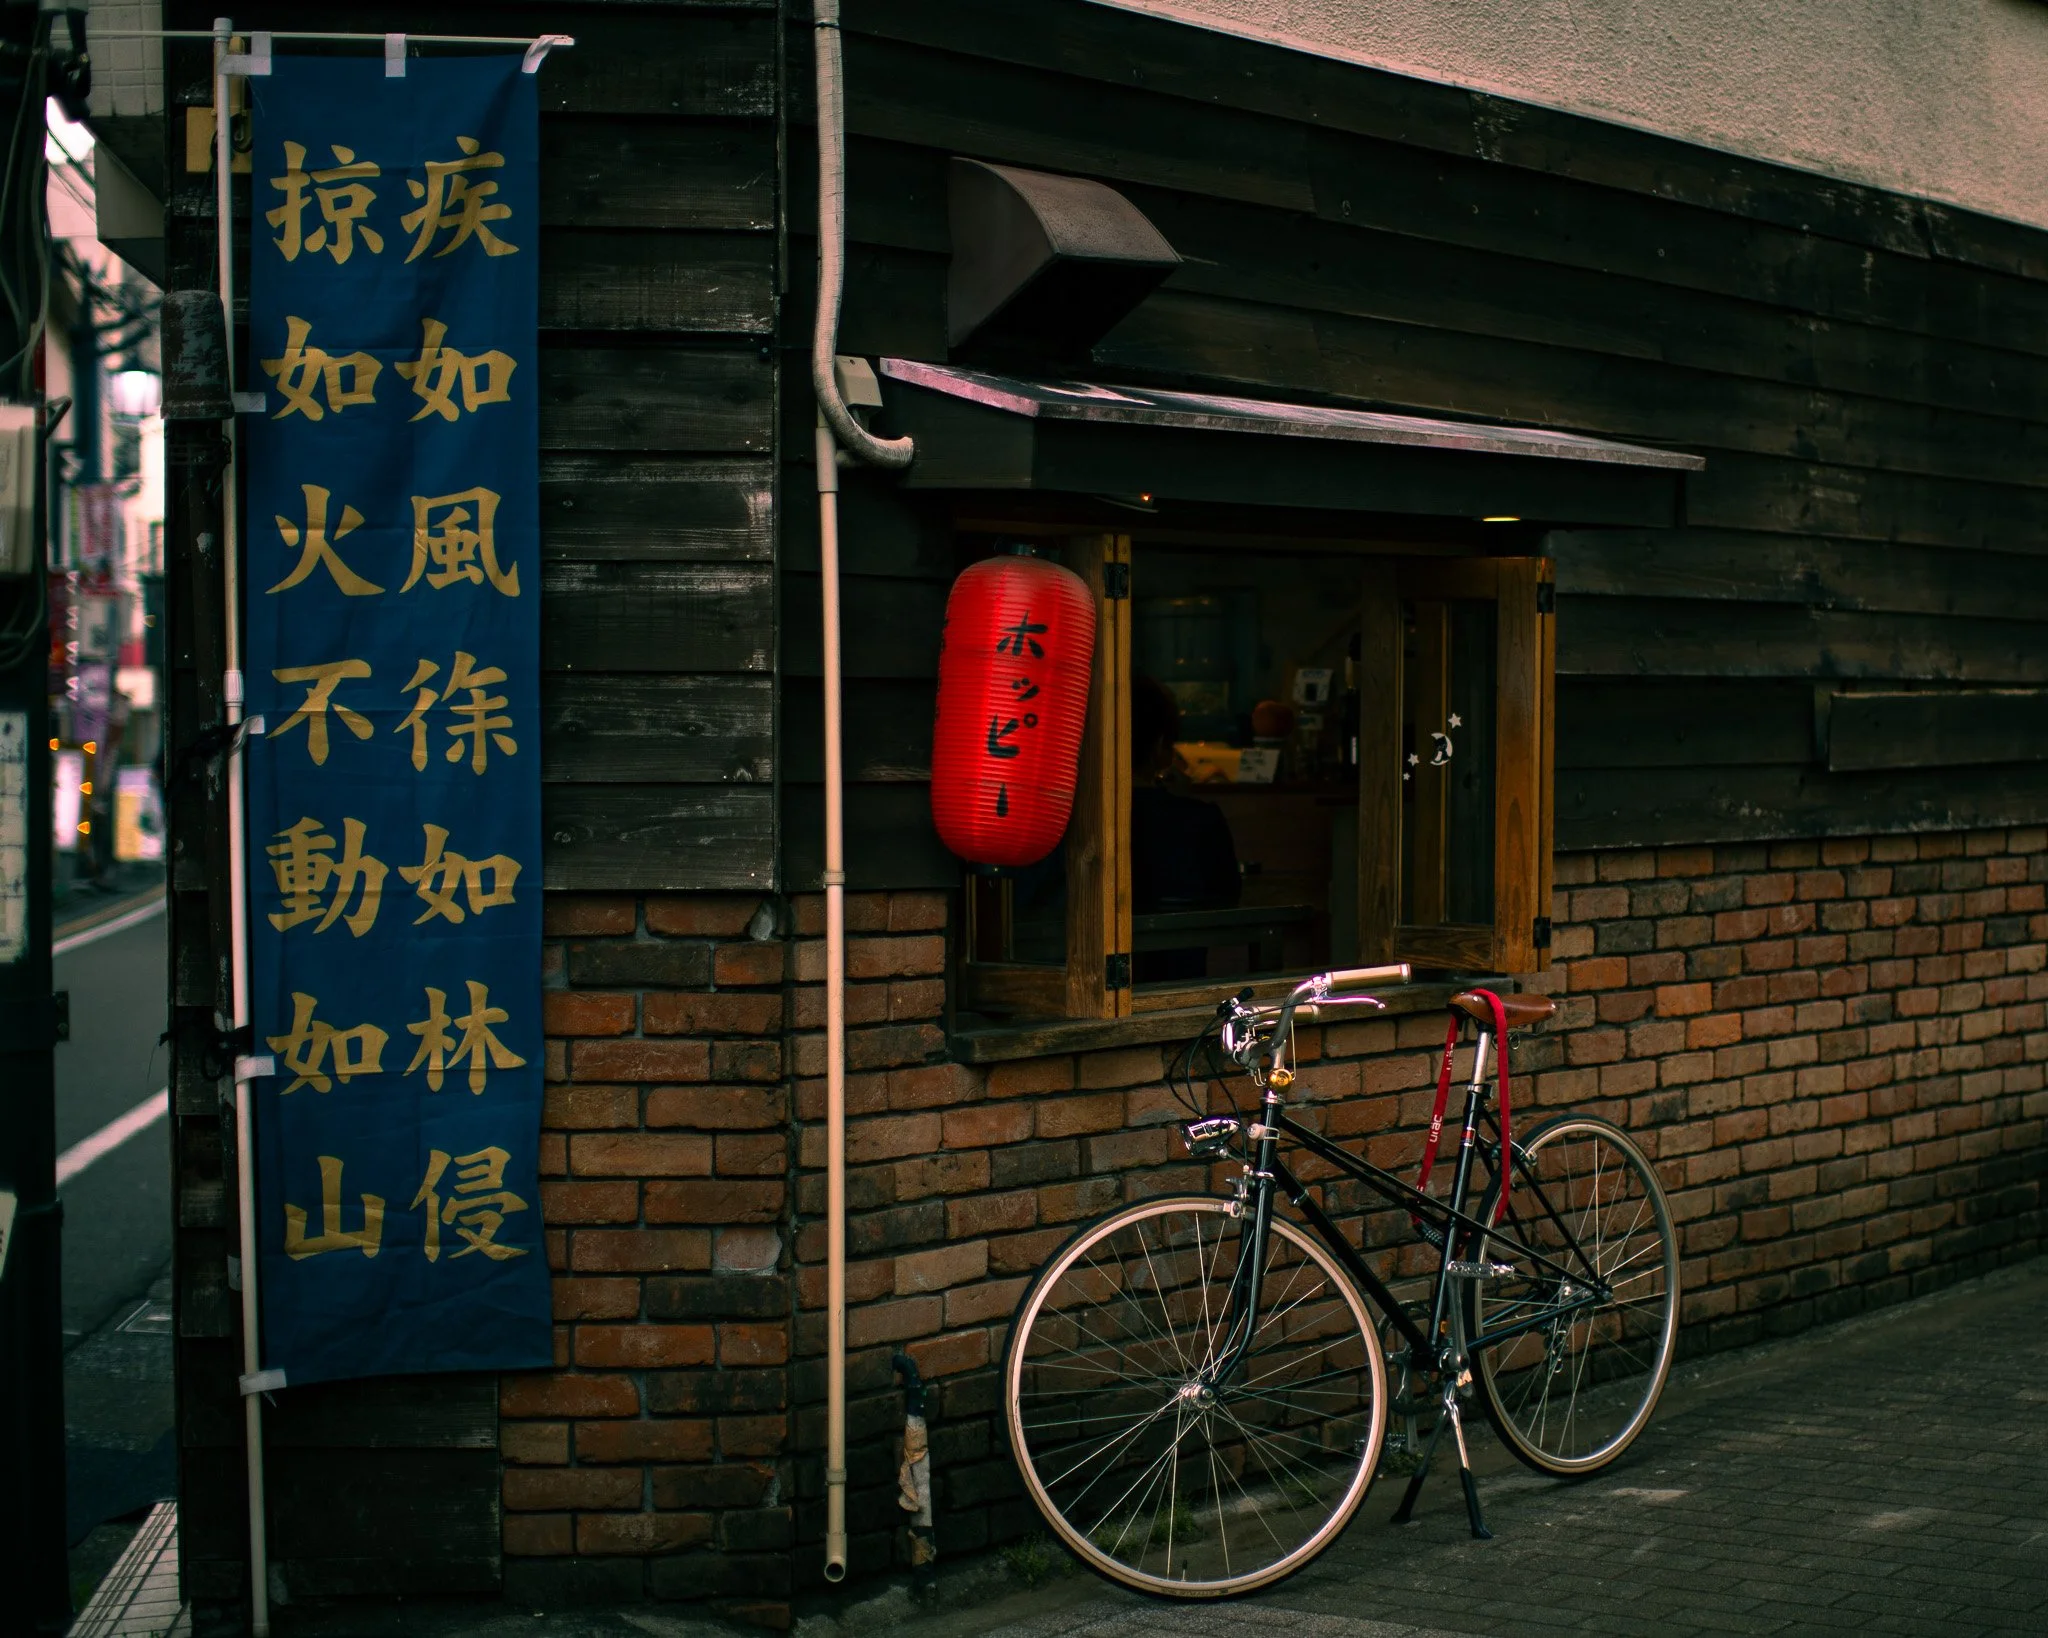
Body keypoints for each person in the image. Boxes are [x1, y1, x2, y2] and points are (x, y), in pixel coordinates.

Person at [1131, 674, 1240, 981]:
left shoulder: (1065, 821)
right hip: (1180, 986)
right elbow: (1227, 898)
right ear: (1160, 747)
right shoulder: (1198, 820)